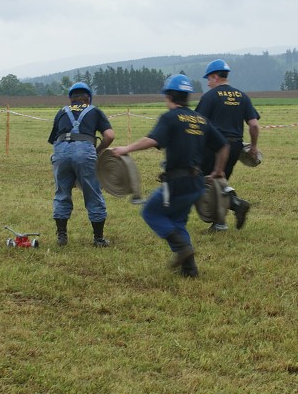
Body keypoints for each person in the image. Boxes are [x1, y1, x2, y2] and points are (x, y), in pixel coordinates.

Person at [111, 74, 228, 277]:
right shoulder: (201, 119)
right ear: (187, 96)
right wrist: (218, 171)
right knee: (178, 221)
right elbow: (223, 146)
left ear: (169, 96)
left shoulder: (170, 117)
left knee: (150, 212)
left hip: (177, 183)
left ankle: (182, 248)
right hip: (197, 184)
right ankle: (189, 269)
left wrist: (126, 149)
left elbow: (152, 140)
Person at [195, 58, 260, 232]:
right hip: (235, 147)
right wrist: (253, 147)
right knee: (220, 183)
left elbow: (198, 124)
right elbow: (254, 125)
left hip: (214, 147)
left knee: (203, 182)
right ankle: (223, 219)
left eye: (208, 79)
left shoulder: (209, 97)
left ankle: (234, 207)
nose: (208, 84)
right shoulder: (242, 96)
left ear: (215, 77)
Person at [48, 82, 115, 247]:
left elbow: (54, 139)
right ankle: (98, 239)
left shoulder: (61, 111)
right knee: (93, 193)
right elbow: (109, 136)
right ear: (88, 99)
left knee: (62, 193)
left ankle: (62, 237)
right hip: (85, 152)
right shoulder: (95, 111)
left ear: (71, 99)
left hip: (61, 152)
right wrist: (98, 151)